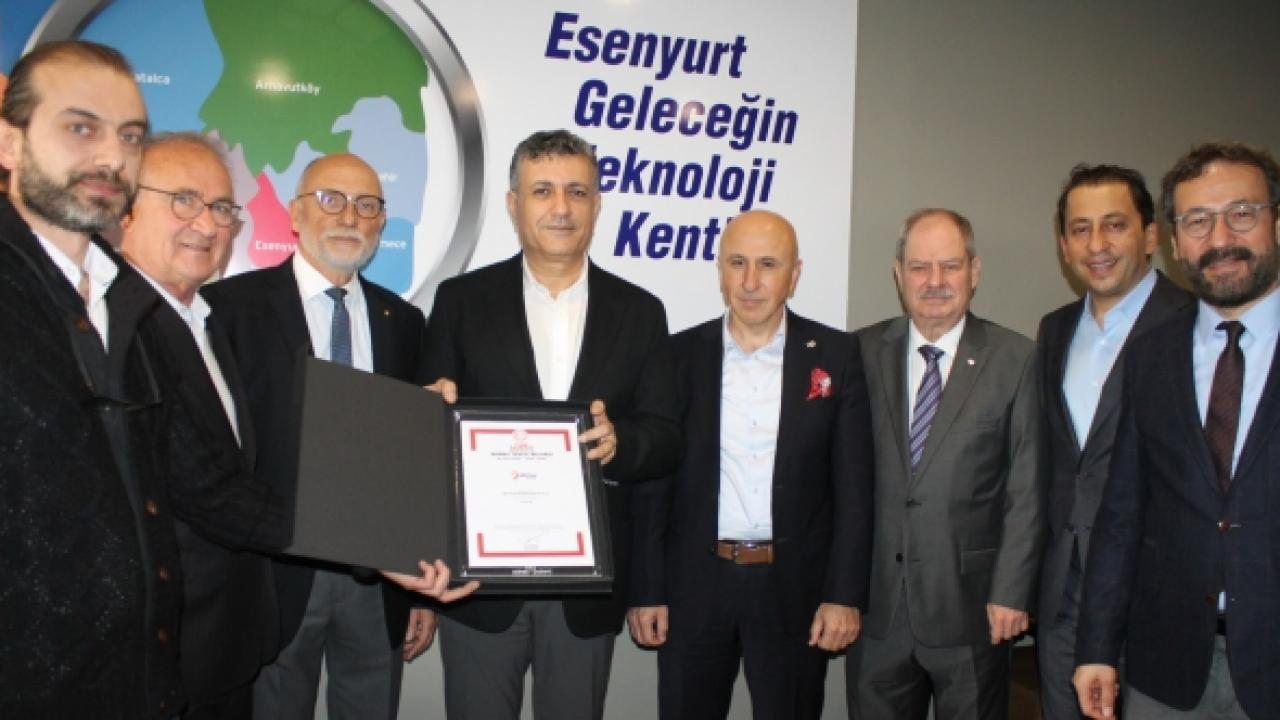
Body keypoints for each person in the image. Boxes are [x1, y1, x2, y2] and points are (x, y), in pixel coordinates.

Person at [0, 40, 278, 718]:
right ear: (9, 142)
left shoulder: (128, 308)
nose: (110, 156)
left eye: (128, 136)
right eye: (80, 127)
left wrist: (381, 546)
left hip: (148, 682)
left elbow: (208, 487)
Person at [423, 128, 683, 720]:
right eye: (542, 190)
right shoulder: (460, 301)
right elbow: (427, 440)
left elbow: (667, 437)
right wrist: (429, 415)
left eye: (577, 191)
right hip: (478, 587)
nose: (561, 207)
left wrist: (621, 442)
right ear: (513, 204)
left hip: (587, 590)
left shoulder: (641, 311)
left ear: (597, 205)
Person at [203, 152, 440, 719]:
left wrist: (419, 582)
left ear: (381, 223)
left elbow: (414, 464)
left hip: (378, 579)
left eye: (367, 205)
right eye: (331, 200)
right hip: (275, 573)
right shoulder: (230, 309)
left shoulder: (404, 323)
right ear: (294, 213)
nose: (349, 216)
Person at [627, 209, 875, 719]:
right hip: (695, 586)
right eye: (737, 263)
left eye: (768, 264)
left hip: (796, 590)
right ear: (719, 269)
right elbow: (654, 486)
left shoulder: (836, 355)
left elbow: (854, 487)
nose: (750, 281)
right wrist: (647, 590)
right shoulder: (675, 355)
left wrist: (843, 594)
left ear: (794, 274)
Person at [1074, 142, 1280, 720]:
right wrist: (1096, 648)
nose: (1220, 239)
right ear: (1173, 240)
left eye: (1241, 213)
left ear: (1276, 222)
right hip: (1166, 664)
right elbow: (1121, 515)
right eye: (1197, 221)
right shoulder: (1151, 355)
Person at [847, 208, 1044, 720]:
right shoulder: (859, 353)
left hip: (973, 611)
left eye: (950, 266)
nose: (934, 281)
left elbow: (1027, 490)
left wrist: (1012, 592)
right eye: (919, 267)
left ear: (974, 271)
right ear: (898, 274)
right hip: (877, 610)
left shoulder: (1017, 359)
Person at [119, 131, 281, 719]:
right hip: (162, 652)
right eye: (183, 200)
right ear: (126, 207)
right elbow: (207, 490)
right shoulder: (120, 328)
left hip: (223, 639)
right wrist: (373, 544)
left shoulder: (204, 321)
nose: (207, 223)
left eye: (221, 207)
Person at [1034, 164, 1192, 719]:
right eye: (1080, 229)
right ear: (1064, 245)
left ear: (1150, 236)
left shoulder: (1194, 323)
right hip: (1063, 593)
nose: (1096, 244)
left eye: (1114, 225)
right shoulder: (1054, 330)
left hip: (1156, 597)